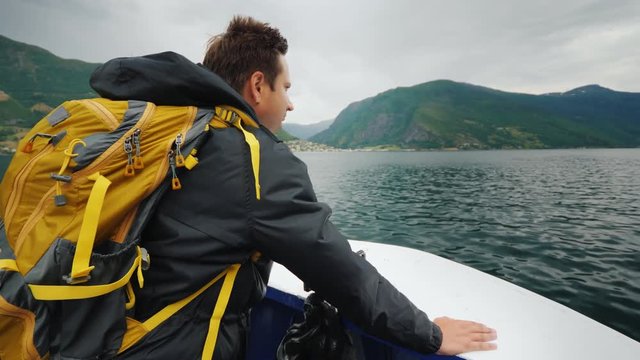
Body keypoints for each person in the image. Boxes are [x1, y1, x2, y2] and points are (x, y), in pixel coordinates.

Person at [90, 15, 497, 358]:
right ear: (257, 85)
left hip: (95, 333)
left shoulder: (169, 138)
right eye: (285, 88)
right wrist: (431, 333)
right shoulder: (253, 159)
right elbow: (339, 271)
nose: (290, 104)